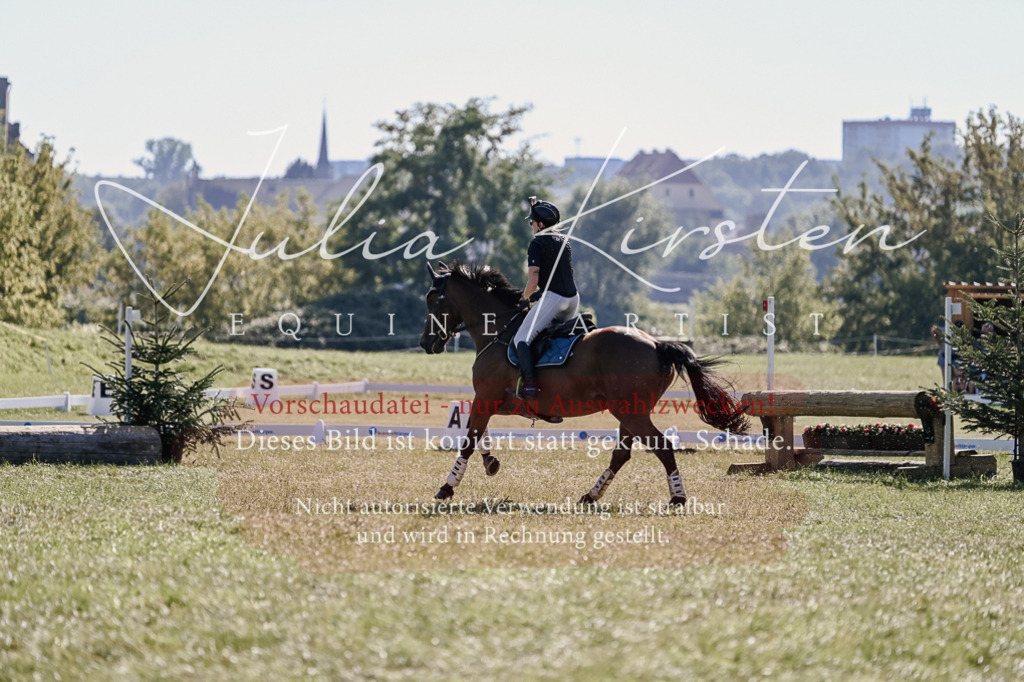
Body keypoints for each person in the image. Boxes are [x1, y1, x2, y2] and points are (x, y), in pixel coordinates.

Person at [512, 197, 580, 400]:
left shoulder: (537, 243)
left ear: (541, 224)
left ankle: (531, 386)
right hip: (573, 299)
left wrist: (524, 298)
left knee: (521, 339)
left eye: (532, 222)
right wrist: (540, 294)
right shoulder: (564, 242)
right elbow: (560, 275)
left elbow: (533, 279)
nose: (531, 225)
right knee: (558, 339)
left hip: (555, 299)